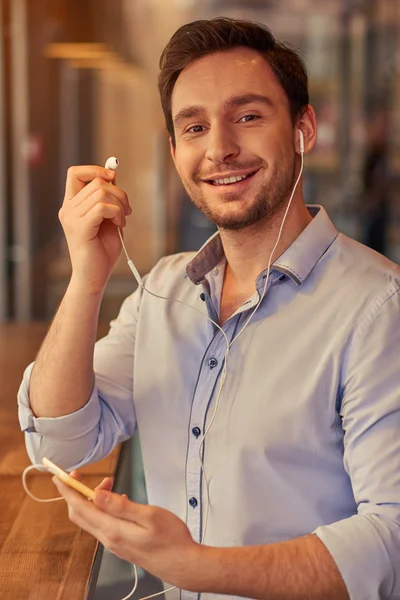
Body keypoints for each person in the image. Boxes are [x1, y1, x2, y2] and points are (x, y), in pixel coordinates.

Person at [18, 17, 400, 600]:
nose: (219, 148)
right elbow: (57, 446)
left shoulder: (378, 307)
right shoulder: (162, 293)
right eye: (194, 126)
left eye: (247, 116)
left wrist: (196, 566)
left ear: (304, 129)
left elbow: (391, 542)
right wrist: (87, 279)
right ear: (174, 152)